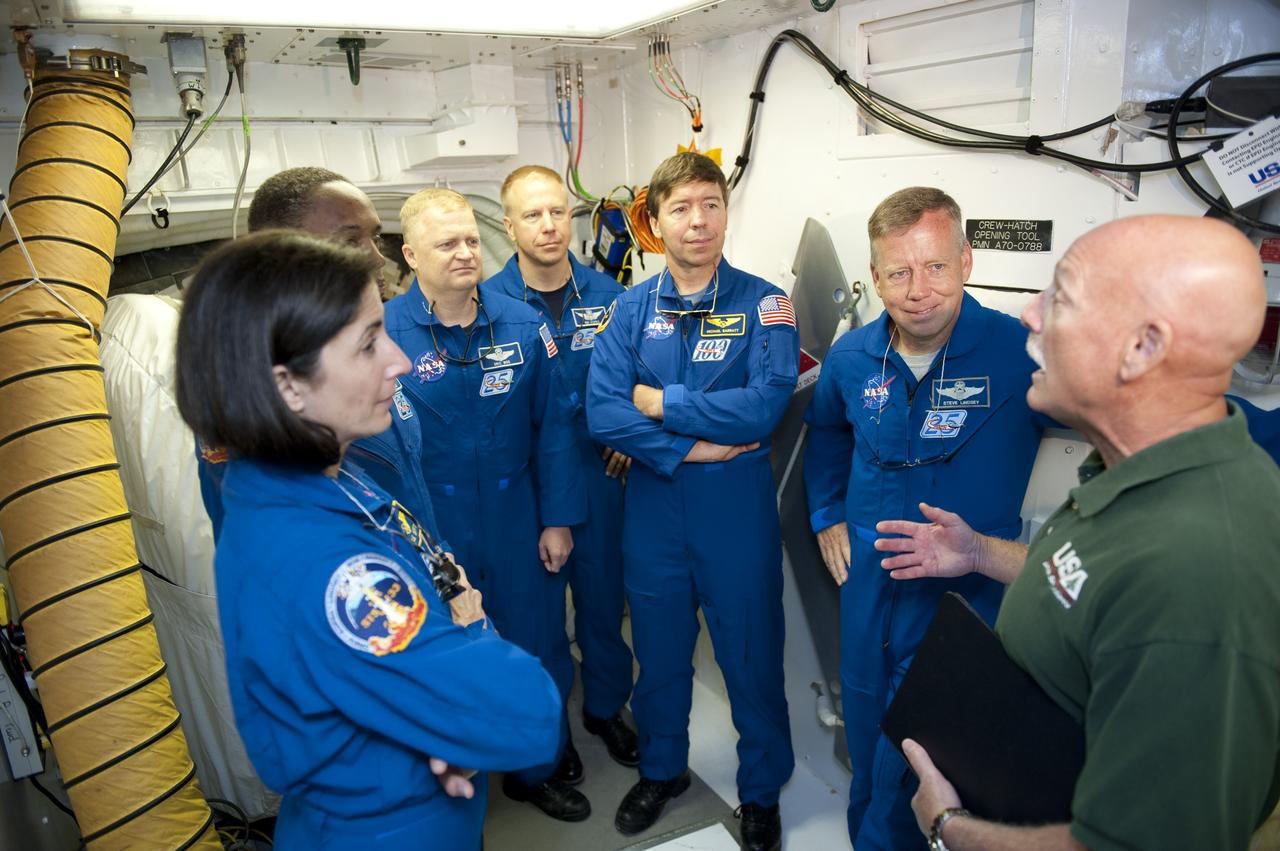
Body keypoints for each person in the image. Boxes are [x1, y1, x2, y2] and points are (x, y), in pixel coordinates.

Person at [873, 215, 1280, 851]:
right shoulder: (1136, 468)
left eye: (1061, 296)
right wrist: (978, 551)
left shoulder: (1201, 568)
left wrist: (949, 827)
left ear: (1142, 347)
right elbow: (1092, 581)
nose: (1031, 314)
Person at [173, 230, 563, 850]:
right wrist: (469, 620)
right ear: (288, 386)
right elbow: (527, 713)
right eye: (367, 344)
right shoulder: (328, 567)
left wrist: (446, 729)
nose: (399, 361)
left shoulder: (317, 478)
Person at [801, 186, 1050, 850]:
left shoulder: (1019, 353)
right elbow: (824, 434)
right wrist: (826, 513)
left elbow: (1124, 424)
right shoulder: (852, 358)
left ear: (966, 260)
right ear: (875, 276)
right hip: (867, 600)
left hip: (961, 609)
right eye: (899, 272)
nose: (919, 290)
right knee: (865, 749)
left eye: (936, 266)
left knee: (922, 769)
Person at [587, 151, 797, 851]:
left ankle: (761, 792)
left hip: (734, 514)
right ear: (655, 219)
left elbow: (762, 410)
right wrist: (691, 445)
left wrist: (662, 402)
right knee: (660, 652)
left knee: (751, 656)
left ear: (726, 212)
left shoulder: (765, 303)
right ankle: (662, 768)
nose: (698, 220)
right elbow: (602, 413)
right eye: (681, 207)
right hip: (655, 508)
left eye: (711, 203)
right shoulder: (629, 309)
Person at [384, 188, 590, 822]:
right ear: (411, 253)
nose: (465, 252)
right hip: (427, 522)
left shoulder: (523, 325)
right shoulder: (383, 333)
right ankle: (451, 781)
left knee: (537, 641)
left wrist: (557, 518)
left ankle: (537, 767)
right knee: (442, 652)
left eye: (471, 239)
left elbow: (554, 430)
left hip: (515, 512)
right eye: (447, 243)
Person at [483, 165, 638, 778]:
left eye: (557, 212)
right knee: (539, 618)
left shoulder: (611, 296)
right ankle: (550, 733)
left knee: (603, 603)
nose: (549, 226)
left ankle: (605, 708)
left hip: (599, 476)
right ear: (509, 225)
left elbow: (639, 378)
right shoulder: (488, 306)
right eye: (532, 215)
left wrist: (628, 430)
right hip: (527, 483)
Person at [197, 166, 414, 539]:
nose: (377, 258)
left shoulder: (366, 345)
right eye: (350, 241)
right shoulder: (254, 396)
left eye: (375, 236)